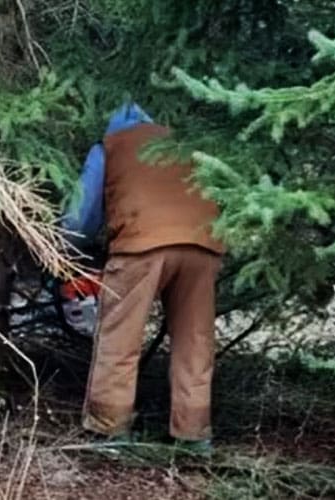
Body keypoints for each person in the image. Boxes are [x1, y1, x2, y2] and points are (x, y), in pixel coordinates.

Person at [63, 102, 225, 454]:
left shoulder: (110, 146)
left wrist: (62, 250)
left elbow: (79, 218)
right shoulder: (182, 144)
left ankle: (109, 433)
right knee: (195, 342)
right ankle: (193, 436)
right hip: (203, 245)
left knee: (120, 338)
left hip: (141, 245)